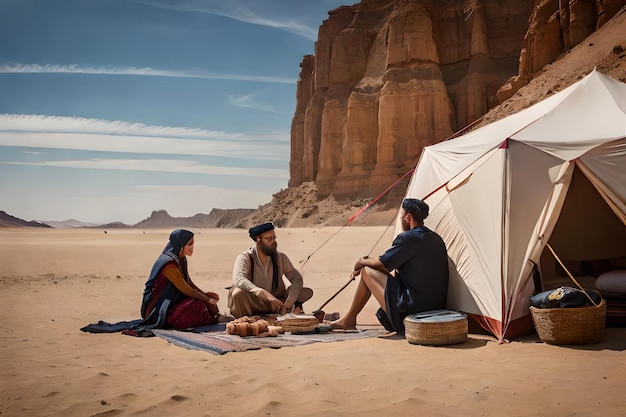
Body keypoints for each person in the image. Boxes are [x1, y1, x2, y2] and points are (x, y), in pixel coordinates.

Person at [331, 198, 449, 336]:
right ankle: (348, 319)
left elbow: (382, 264)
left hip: (413, 311)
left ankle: (348, 320)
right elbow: (386, 265)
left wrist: (361, 262)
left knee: (366, 270)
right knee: (371, 268)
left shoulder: (408, 238)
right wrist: (368, 261)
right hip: (435, 308)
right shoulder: (436, 238)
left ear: (408, 217)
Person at [140, 229, 221, 329]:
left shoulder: (181, 258)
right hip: (159, 308)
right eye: (189, 244)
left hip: (174, 300)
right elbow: (185, 288)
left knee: (208, 298)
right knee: (197, 307)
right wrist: (206, 299)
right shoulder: (169, 264)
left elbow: (189, 282)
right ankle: (211, 318)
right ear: (181, 245)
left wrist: (205, 295)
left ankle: (212, 317)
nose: (192, 248)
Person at [228, 222, 313, 317]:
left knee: (303, 292)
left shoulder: (280, 257)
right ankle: (247, 322)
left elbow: (296, 278)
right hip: (254, 303)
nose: (273, 241)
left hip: (276, 303)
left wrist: (289, 302)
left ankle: (287, 310)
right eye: (268, 239)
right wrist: (265, 295)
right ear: (258, 240)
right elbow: (238, 279)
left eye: (274, 238)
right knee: (238, 293)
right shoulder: (245, 258)